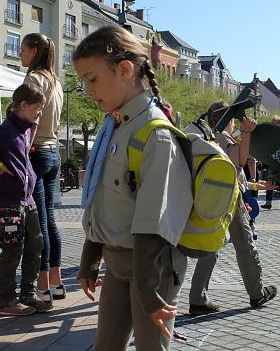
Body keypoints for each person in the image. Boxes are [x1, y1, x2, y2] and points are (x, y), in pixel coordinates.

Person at [74, 26, 193, 350]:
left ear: (125, 70)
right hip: (119, 265)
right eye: (84, 81)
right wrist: (91, 257)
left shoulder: (155, 134)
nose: (87, 90)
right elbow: (102, 196)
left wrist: (146, 288)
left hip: (152, 271)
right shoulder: (116, 125)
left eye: (92, 78)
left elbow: (153, 219)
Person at [0, 83, 52, 316]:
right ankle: (6, 300)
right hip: (8, 200)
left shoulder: (25, 127)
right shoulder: (6, 131)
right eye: (37, 108)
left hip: (27, 199)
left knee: (36, 243)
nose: (40, 113)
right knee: (13, 249)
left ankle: (28, 293)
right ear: (22, 106)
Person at [188, 101, 278, 317]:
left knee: (211, 245)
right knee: (244, 243)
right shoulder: (220, 136)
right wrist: (246, 133)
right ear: (227, 120)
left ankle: (197, 298)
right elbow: (239, 159)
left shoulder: (204, 134)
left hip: (208, 194)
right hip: (230, 195)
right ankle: (256, 292)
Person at [21, 33, 65, 303]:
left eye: (24, 50)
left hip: (36, 151)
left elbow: (28, 115)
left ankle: (43, 286)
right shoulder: (56, 82)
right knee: (49, 219)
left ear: (34, 51)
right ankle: (57, 284)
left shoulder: (34, 79)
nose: (21, 54)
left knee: (39, 224)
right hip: (53, 151)